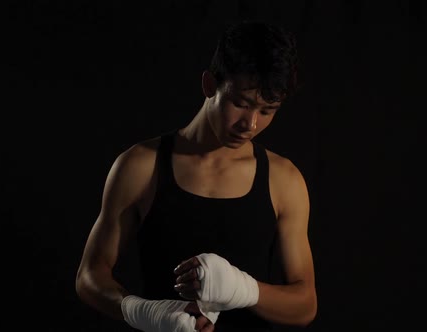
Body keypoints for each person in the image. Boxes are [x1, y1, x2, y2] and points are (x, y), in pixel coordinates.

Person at [75, 20, 317, 332]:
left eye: (267, 110)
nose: (251, 124)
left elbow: (305, 304)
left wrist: (241, 288)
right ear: (209, 85)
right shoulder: (140, 166)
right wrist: (146, 312)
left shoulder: (284, 180)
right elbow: (89, 276)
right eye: (241, 104)